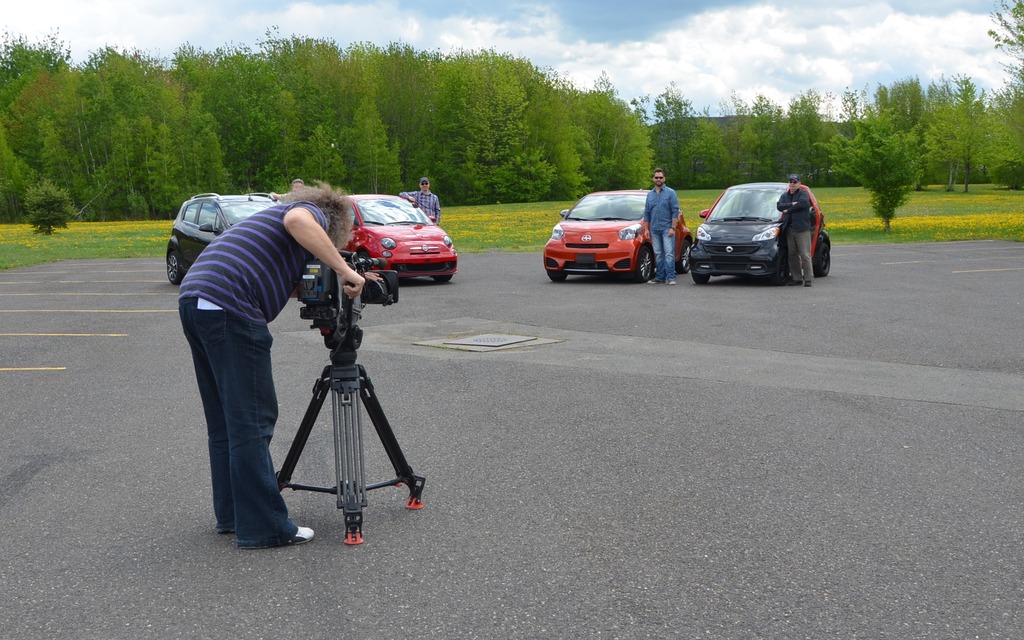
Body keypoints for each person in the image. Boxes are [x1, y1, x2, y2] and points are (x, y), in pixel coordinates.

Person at [178, 182, 373, 549]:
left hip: (196, 301)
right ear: (333, 223)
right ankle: (266, 527)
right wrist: (346, 270)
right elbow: (299, 219)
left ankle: (234, 515)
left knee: (225, 423)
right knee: (252, 421)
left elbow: (282, 280)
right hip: (230, 309)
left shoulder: (263, 225)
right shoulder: (305, 213)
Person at [641, 168, 680, 285]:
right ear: (653, 179)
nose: (658, 179)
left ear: (664, 178)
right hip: (654, 229)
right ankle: (660, 277)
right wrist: (646, 229)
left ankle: (671, 277)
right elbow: (647, 212)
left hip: (667, 228)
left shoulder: (670, 193)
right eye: (656, 177)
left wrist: (673, 228)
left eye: (660, 177)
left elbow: (675, 211)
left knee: (668, 253)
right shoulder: (650, 195)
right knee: (658, 253)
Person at [777, 173, 814, 287]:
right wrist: (792, 204)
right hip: (789, 229)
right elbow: (779, 206)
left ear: (799, 183)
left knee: (805, 254)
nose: (792, 184)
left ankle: (808, 279)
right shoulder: (785, 195)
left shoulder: (803, 194)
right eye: (791, 182)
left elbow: (802, 205)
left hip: (802, 229)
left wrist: (788, 210)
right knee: (792, 254)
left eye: (795, 182)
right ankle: (797, 278)